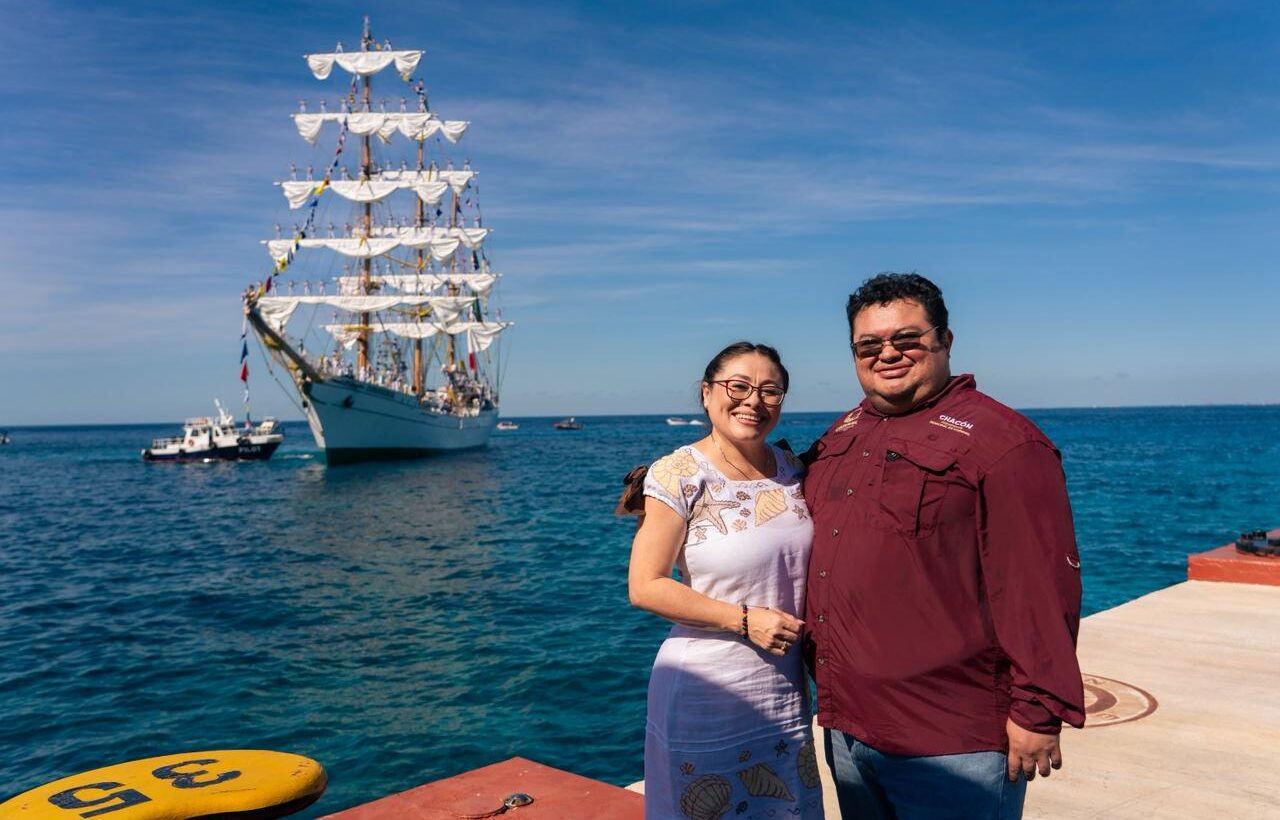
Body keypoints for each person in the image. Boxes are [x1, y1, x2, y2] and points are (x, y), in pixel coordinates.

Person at [802, 273, 1085, 820]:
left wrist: (1038, 711)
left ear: (946, 341)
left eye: (906, 339)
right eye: (869, 345)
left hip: (953, 740)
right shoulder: (843, 434)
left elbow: (1041, 584)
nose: (888, 354)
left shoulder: (1003, 442)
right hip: (849, 728)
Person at [624, 341, 825, 820]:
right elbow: (645, 584)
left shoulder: (792, 469)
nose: (753, 401)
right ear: (708, 392)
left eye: (770, 391)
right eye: (738, 386)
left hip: (784, 686)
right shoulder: (679, 473)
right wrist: (743, 620)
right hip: (706, 691)